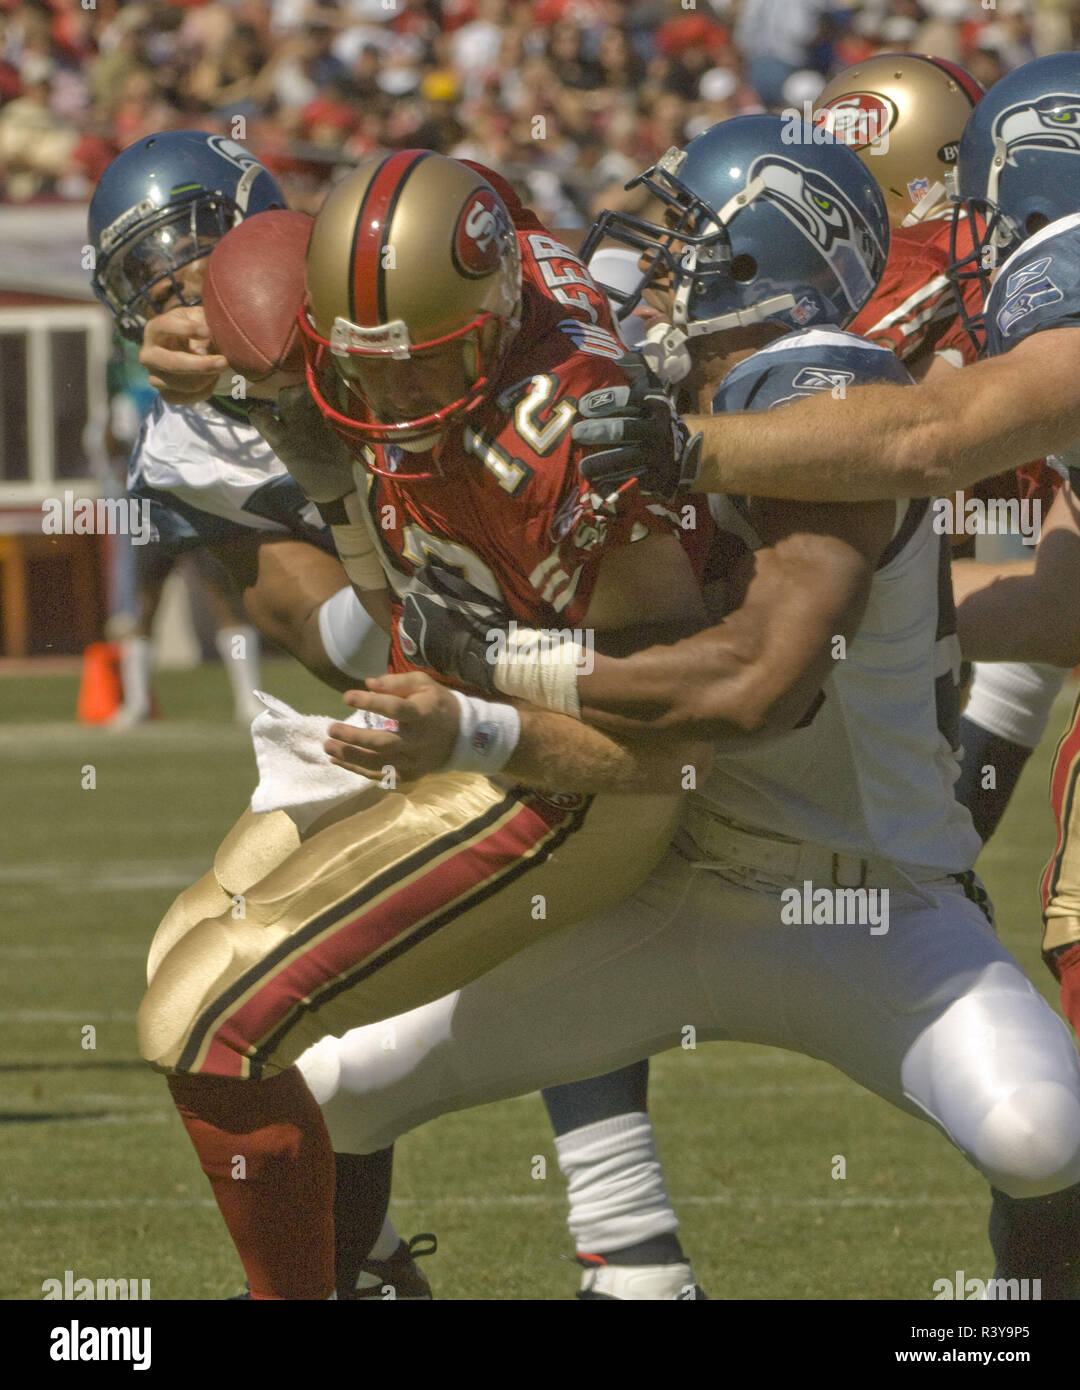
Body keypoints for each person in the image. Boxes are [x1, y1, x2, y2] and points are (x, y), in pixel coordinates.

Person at [295, 113, 1080, 1301]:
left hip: (867, 902)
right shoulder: (650, 391)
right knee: (333, 1087)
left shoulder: (825, 390)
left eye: (682, 243)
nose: (651, 268)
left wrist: (499, 663)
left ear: (758, 257)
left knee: (1041, 1133)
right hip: (669, 883)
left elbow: (753, 683)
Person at [140, 150, 716, 1301]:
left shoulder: (571, 432)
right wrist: (221, 366)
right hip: (439, 712)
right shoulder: (399, 302)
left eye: (429, 370)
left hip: (565, 778)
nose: (398, 402)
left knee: (205, 1020)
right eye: (371, 370)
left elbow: (677, 730)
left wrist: (471, 723)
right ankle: (367, 1274)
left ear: (496, 315)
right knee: (174, 962)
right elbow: (269, 317)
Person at [88, 130, 389, 707]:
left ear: (256, 215)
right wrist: (366, 527)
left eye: (186, 241)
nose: (168, 280)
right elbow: (347, 653)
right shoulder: (182, 453)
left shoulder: (370, 280)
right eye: (139, 269)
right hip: (462, 680)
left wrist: (312, 381)